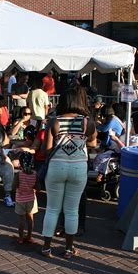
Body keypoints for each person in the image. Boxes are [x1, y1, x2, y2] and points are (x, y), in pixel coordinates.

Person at [41, 87, 97, 259]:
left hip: (56, 167)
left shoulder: (54, 121)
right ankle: (68, 249)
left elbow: (47, 149)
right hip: (78, 167)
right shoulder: (88, 122)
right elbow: (93, 144)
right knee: (72, 210)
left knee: (52, 209)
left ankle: (47, 248)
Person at [15, 152, 39, 244]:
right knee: (30, 219)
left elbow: (14, 186)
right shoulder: (35, 174)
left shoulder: (19, 174)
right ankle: (29, 236)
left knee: (21, 220)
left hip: (20, 199)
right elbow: (38, 188)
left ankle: (21, 238)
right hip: (31, 199)